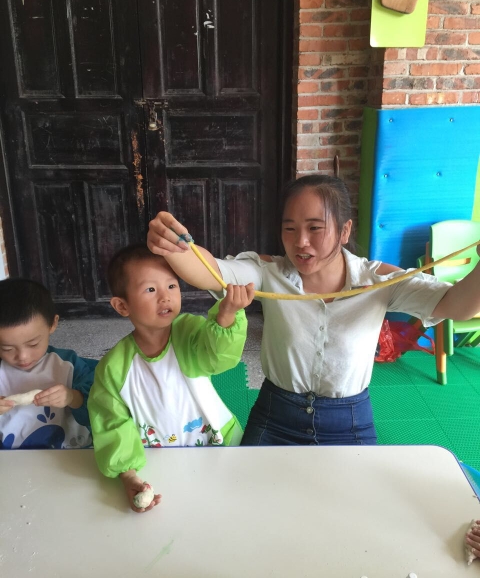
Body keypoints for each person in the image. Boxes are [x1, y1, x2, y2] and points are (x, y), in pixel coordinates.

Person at [147, 174, 480, 447]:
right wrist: (173, 246)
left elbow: (458, 305)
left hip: (350, 423)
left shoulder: (378, 280)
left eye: (315, 228)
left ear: (344, 230)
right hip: (275, 416)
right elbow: (211, 271)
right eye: (290, 228)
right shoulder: (269, 272)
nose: (300, 242)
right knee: (251, 498)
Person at [87, 244, 254, 513]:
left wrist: (226, 316)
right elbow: (112, 423)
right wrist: (128, 475)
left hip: (216, 446)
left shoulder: (189, 331)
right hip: (157, 463)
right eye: (150, 290)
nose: (165, 297)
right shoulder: (114, 368)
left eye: (172, 286)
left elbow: (218, 357)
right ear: (122, 305)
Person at [0, 278, 94, 449]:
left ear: (52, 324)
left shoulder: (67, 364)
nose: (23, 357)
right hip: (12, 457)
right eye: (7, 348)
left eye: (33, 344)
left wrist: (72, 397)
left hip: (71, 453)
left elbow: (101, 410)